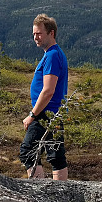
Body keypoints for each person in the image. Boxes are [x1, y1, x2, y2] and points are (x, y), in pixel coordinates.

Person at [20, 13, 68, 180]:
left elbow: (48, 90)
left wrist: (32, 115)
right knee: (56, 156)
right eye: (34, 34)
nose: (35, 37)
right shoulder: (53, 54)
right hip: (54, 113)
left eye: (39, 33)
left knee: (28, 152)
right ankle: (60, 194)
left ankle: (40, 195)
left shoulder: (53, 56)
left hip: (45, 114)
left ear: (51, 33)